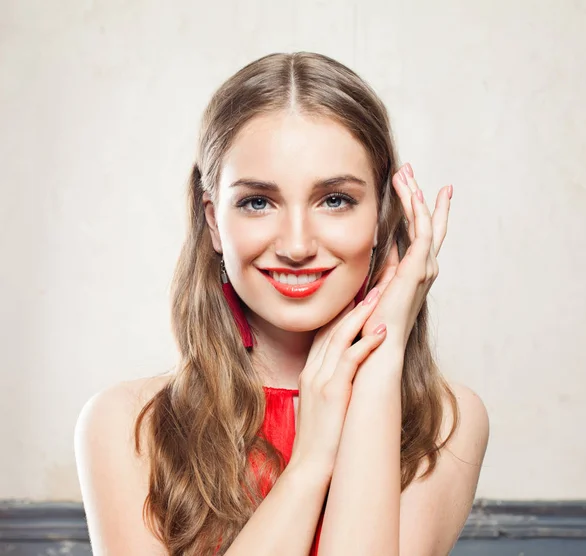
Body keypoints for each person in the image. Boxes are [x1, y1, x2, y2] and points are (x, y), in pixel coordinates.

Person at [74, 51, 489, 556]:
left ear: (380, 216)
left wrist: (381, 359)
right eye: (258, 202)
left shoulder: (446, 422)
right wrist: (312, 460)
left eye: (334, 199)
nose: (296, 245)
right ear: (212, 221)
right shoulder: (127, 426)